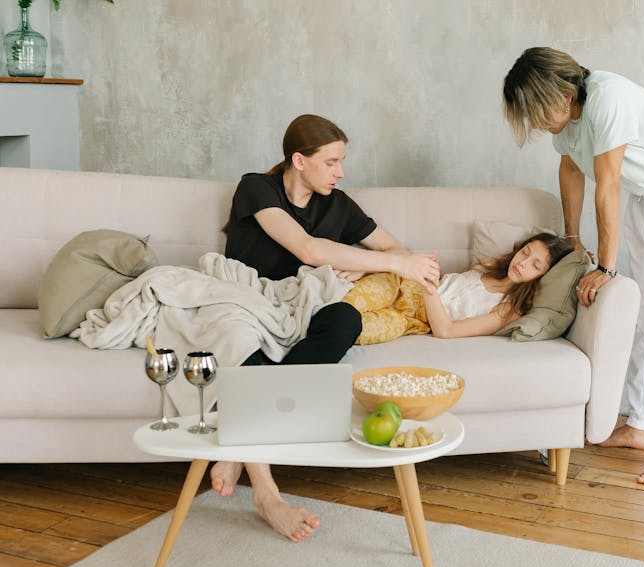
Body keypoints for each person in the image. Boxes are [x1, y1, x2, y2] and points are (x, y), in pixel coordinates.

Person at [502, 47, 644, 487]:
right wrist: (571, 238)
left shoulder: (609, 99)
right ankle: (641, 425)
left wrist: (604, 268)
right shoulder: (567, 120)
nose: (537, 124)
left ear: (562, 94)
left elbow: (607, 188)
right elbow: (569, 170)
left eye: (536, 111)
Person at [213, 114, 441, 541]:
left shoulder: (339, 204)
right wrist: (391, 264)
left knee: (346, 319)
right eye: (332, 162)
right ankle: (267, 495)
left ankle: (240, 448)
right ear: (299, 160)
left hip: (301, 303)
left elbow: (393, 246)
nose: (341, 172)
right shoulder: (256, 187)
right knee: (248, 343)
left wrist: (365, 268)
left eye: (342, 161)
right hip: (249, 298)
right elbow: (305, 246)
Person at [342, 232, 573, 344]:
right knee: (346, 304)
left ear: (544, 277)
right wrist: (430, 277)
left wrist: (428, 286)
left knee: (352, 331)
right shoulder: (491, 265)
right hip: (405, 286)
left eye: (535, 265)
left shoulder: (508, 310)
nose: (522, 263)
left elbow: (446, 330)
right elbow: (452, 287)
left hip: (415, 320)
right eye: (525, 252)